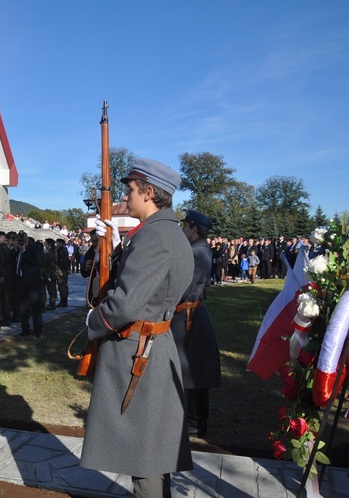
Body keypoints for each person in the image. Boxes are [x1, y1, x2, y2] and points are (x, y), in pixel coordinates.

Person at [81, 158, 193, 497]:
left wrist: (93, 322)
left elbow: (126, 304)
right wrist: (113, 249)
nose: (125, 198)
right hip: (153, 348)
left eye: (130, 190)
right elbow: (148, 289)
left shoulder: (154, 238)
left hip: (138, 354)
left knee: (142, 454)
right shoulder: (163, 232)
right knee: (154, 452)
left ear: (148, 192)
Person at [171, 210, 221, 438]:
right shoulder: (199, 249)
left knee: (191, 371)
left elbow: (183, 289)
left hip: (187, 317)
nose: (183, 229)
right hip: (192, 315)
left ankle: (193, 423)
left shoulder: (195, 252)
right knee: (194, 370)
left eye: (185, 226)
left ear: (193, 228)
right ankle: (194, 422)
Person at [12, 231, 44, 338]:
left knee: (35, 308)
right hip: (20, 281)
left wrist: (24, 250)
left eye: (23, 240)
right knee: (22, 308)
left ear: (27, 240)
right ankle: (25, 329)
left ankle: (38, 330)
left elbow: (36, 262)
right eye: (20, 240)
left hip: (32, 282)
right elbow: (9, 260)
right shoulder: (16, 250)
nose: (22, 242)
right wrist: (15, 248)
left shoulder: (33, 249)